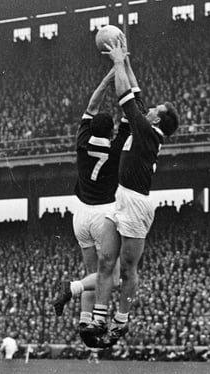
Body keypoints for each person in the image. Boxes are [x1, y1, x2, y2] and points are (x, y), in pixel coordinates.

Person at [94, 38, 180, 347]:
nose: (152, 107)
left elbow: (125, 97)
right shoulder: (147, 126)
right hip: (122, 197)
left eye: (157, 108)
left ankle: (122, 319)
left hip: (136, 204)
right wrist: (127, 62)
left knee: (128, 268)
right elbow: (136, 93)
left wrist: (117, 62)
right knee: (106, 261)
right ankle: (98, 318)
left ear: (158, 119)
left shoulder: (146, 131)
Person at [51, 68, 124, 346]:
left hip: (79, 213)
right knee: (111, 278)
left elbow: (92, 106)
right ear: (112, 131)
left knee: (93, 271)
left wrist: (107, 77)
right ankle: (72, 288)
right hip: (103, 214)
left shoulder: (82, 142)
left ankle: (86, 322)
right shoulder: (116, 149)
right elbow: (128, 114)